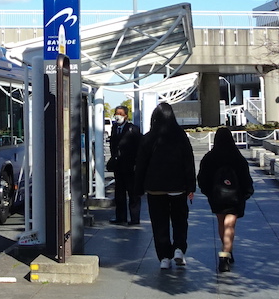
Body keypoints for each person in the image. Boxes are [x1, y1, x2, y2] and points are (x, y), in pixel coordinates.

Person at [134, 101, 196, 269]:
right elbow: (188, 162)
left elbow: (141, 165)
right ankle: (179, 249)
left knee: (159, 223)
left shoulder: (149, 137)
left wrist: (138, 187)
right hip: (178, 186)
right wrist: (191, 186)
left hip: (155, 188)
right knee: (180, 220)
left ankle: (164, 257)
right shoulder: (180, 136)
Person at [196, 127, 254, 273]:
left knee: (222, 222)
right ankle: (225, 254)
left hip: (217, 197)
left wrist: (208, 192)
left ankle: (227, 250)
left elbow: (202, 177)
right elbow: (245, 177)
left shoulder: (210, 157)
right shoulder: (237, 157)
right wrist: (246, 192)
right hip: (235, 197)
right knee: (230, 225)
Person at [107, 106, 142, 224]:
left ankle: (134, 218)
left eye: (121, 114)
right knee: (119, 193)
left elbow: (139, 147)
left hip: (130, 166)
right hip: (118, 166)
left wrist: (137, 163)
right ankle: (120, 217)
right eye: (116, 113)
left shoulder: (133, 129)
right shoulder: (114, 128)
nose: (118, 116)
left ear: (126, 116)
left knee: (133, 193)